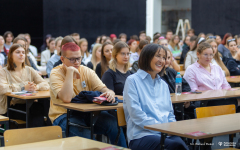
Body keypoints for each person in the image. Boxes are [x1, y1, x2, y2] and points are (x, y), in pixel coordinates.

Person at [48, 42, 127, 147]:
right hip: (63, 115)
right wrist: (70, 72)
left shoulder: (86, 71)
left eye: (79, 58)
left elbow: (104, 89)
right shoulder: (55, 73)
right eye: (72, 59)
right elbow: (66, 98)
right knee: (89, 141)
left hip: (87, 114)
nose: (76, 62)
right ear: (62, 59)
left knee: (114, 125)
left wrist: (110, 93)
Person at [123, 44, 189, 150]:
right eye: (158, 56)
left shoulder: (163, 84)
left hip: (166, 132)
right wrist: (162, 129)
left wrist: (171, 129)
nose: (162, 60)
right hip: (142, 135)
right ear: (147, 57)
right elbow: (137, 115)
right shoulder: (132, 81)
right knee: (175, 147)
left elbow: (170, 114)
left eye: (164, 57)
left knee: (183, 146)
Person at [0, 44, 49, 127]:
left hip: (28, 104)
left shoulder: (29, 69)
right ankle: (36, 135)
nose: (21, 54)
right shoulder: (4, 72)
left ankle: (40, 134)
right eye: (18, 52)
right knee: (35, 112)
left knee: (42, 107)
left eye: (23, 52)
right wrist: (23, 87)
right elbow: (2, 88)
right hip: (11, 106)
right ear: (11, 55)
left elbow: (45, 84)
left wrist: (36, 87)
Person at [183, 42, 237, 107]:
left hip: (221, 98)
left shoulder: (217, 68)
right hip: (204, 101)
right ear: (198, 54)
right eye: (205, 54)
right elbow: (194, 91)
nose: (209, 57)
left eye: (211, 55)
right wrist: (214, 94)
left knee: (234, 101)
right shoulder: (191, 69)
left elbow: (226, 86)